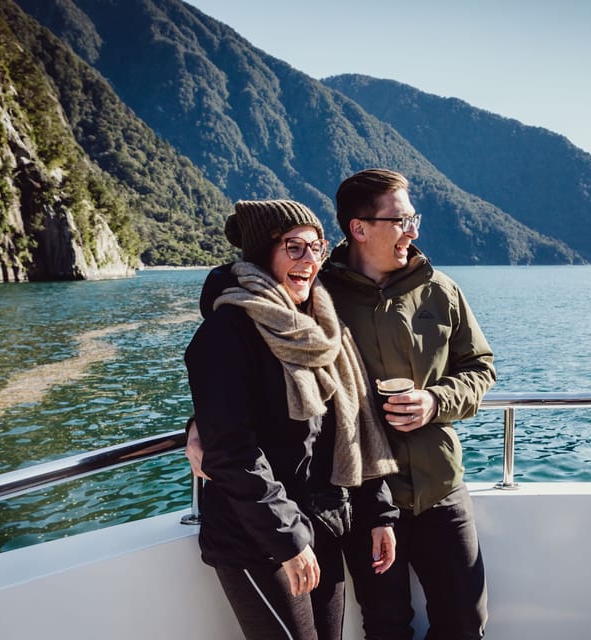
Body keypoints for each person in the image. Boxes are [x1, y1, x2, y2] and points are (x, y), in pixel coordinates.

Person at [189, 170, 496, 639]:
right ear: (360, 228)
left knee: (465, 623)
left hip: (429, 487)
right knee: (387, 626)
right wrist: (198, 425)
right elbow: (234, 380)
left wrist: (436, 401)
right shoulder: (317, 295)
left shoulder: (426, 293)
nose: (412, 230)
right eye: (402, 219)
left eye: (313, 248)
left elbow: (476, 370)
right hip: (343, 506)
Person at [184, 199, 400, 640]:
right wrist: (287, 540)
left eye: (316, 248)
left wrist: (380, 512)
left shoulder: (323, 326)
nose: (309, 261)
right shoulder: (227, 333)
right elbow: (232, 450)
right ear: (264, 252)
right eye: (294, 248)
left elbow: (354, 422)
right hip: (258, 538)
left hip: (324, 523)